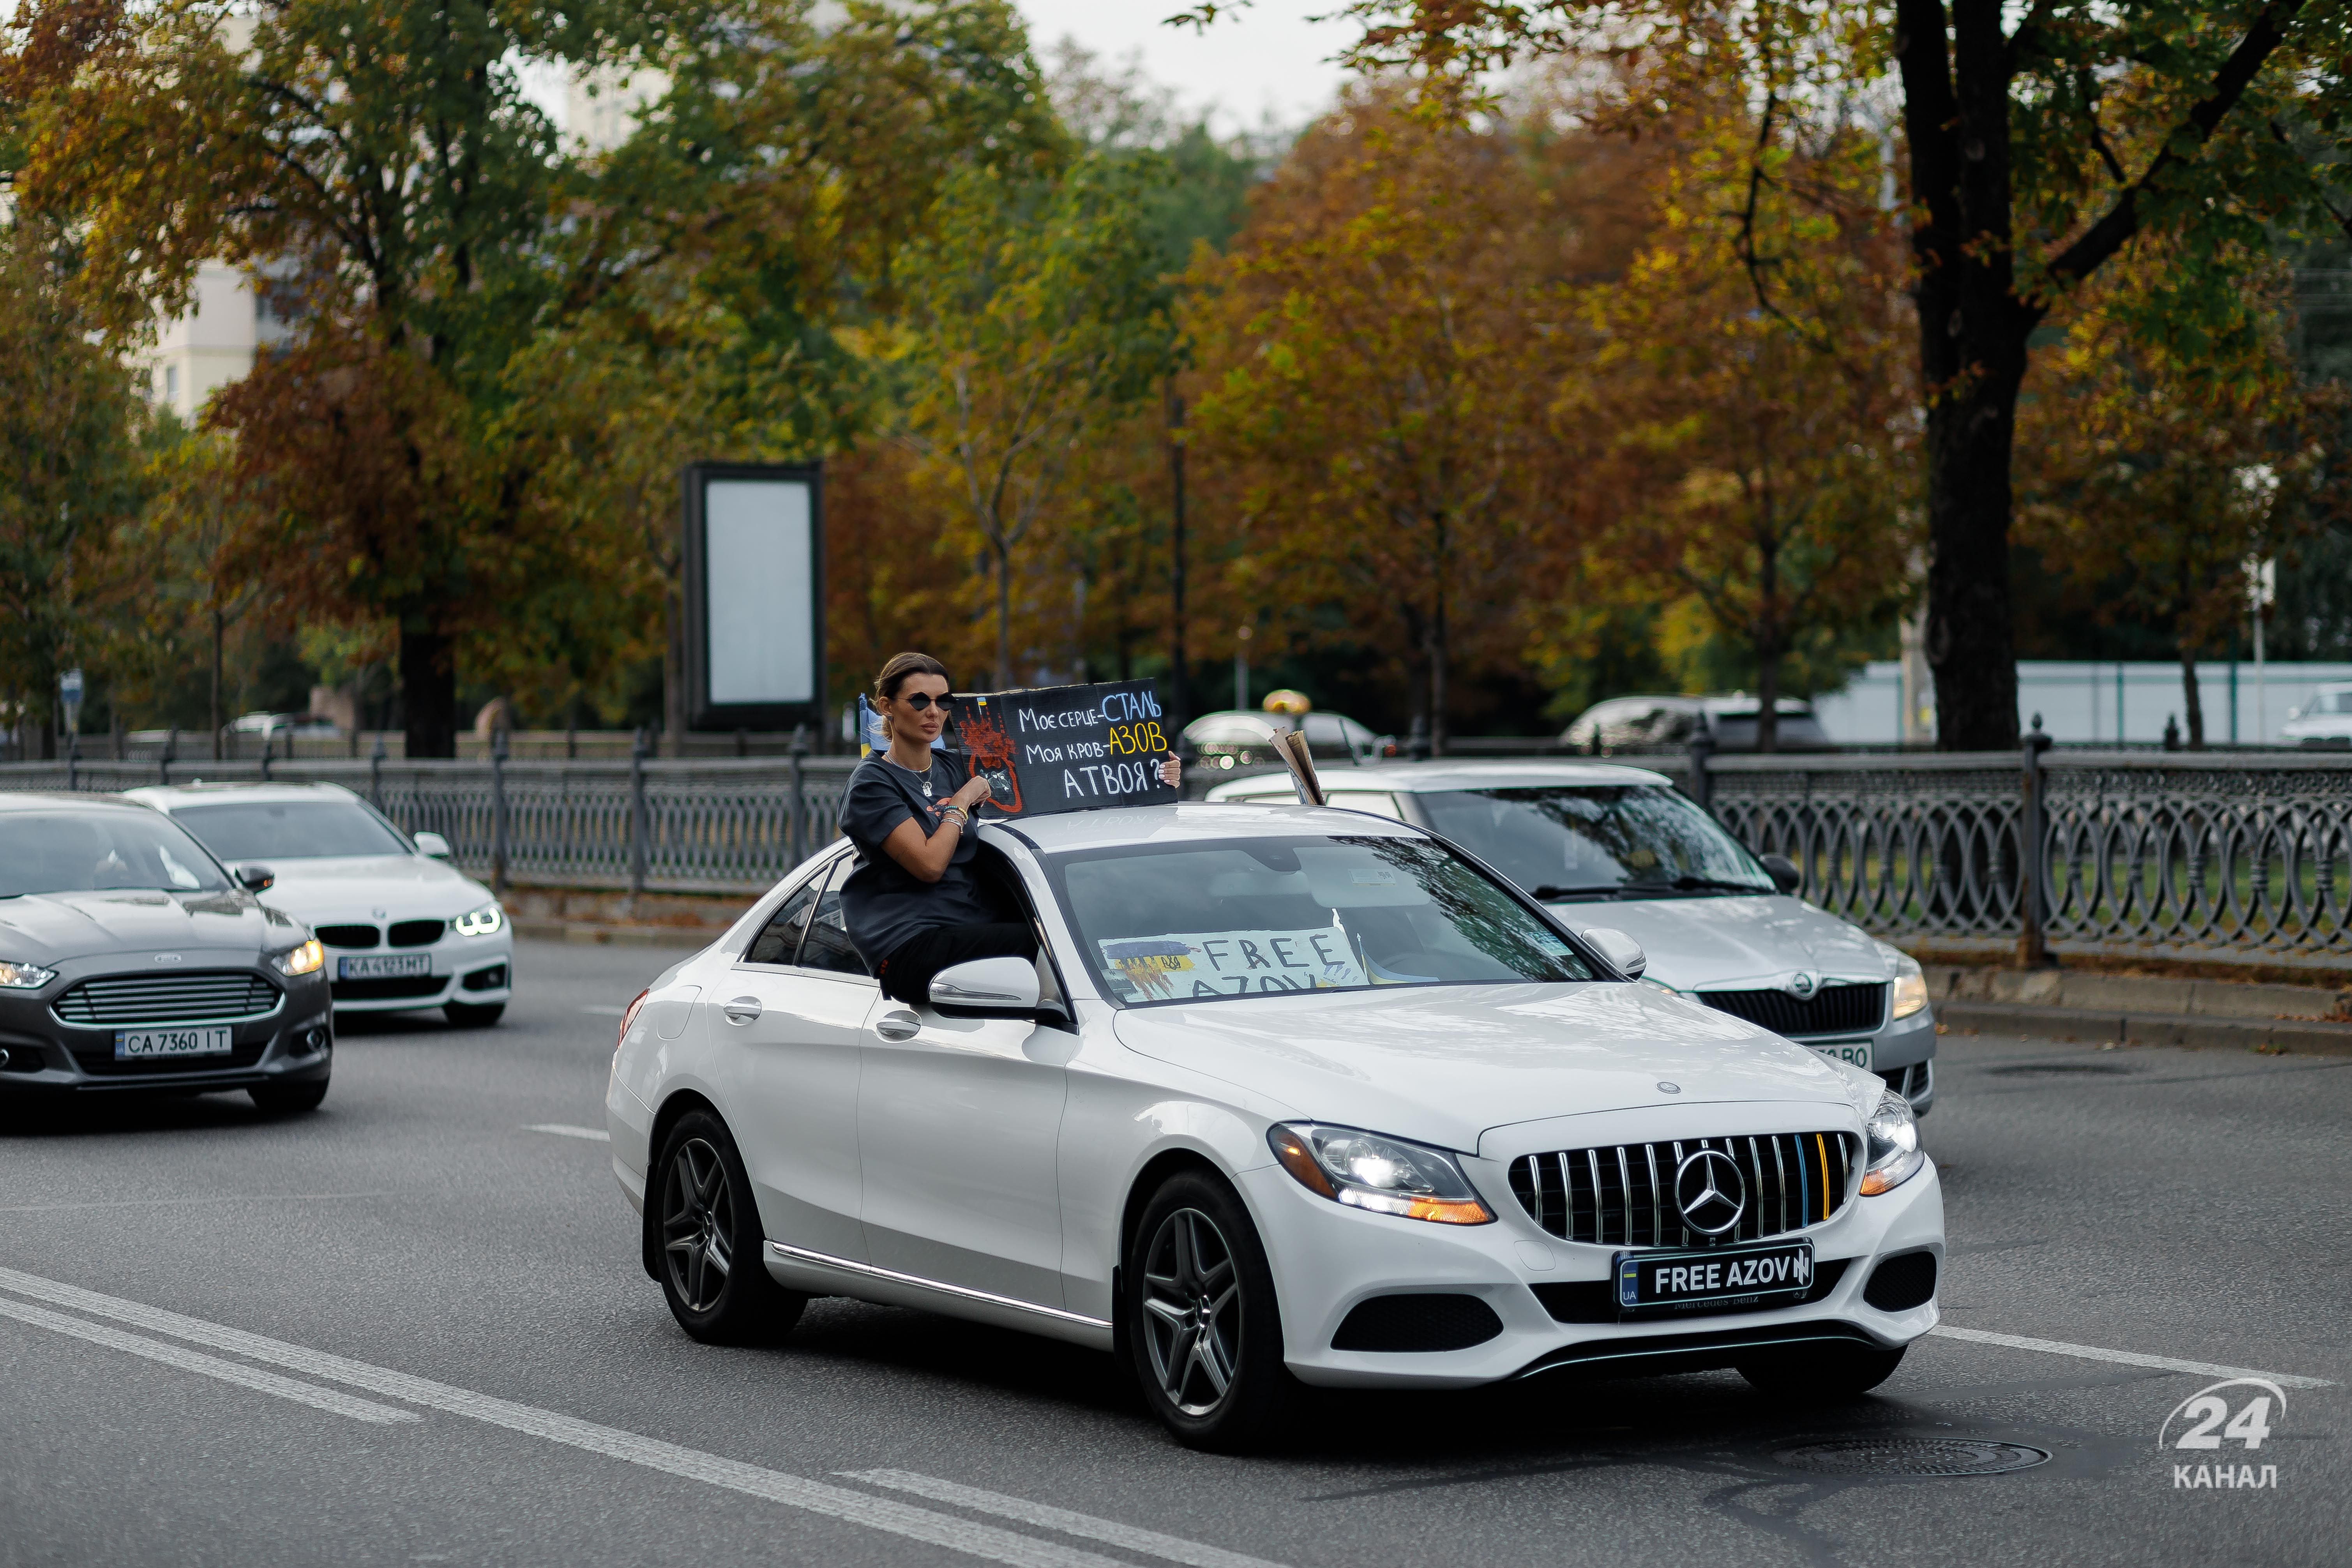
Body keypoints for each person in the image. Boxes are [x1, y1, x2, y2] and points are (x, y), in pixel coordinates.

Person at [837, 652, 1180, 1005]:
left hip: (972, 923)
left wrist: (1152, 773)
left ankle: (1158, 1006)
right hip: (910, 943)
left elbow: (1057, 783)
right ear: (887, 706)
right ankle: (1080, 1030)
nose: (934, 712)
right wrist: (963, 800)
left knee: (1095, 934)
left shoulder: (954, 765)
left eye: (944, 701)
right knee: (1054, 952)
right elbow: (929, 865)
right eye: (920, 700)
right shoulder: (872, 783)